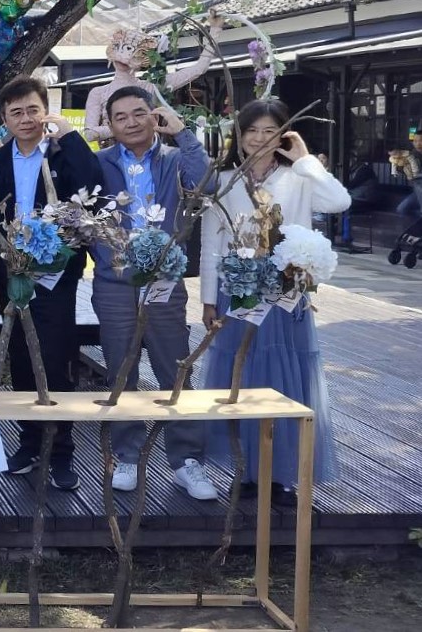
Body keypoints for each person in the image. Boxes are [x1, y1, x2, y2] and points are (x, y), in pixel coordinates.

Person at [200, 98, 349, 506]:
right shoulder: (226, 179)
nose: (260, 139)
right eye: (252, 131)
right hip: (239, 291)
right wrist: (208, 298)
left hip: (285, 292)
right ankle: (246, 469)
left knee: (284, 377)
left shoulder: (298, 177)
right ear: (240, 136)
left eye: (270, 130)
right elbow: (211, 242)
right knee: (241, 375)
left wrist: (305, 161)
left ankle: (282, 475)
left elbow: (339, 202)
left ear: (285, 133)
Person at [0, 75, 103, 491]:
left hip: (55, 276)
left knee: (57, 359)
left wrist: (69, 134)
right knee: (21, 359)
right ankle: (29, 443)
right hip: (12, 275)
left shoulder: (63, 154)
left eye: (33, 109)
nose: (26, 119)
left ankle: (62, 452)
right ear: (4, 119)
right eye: (17, 113)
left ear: (45, 110)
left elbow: (92, 187)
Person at [91, 86, 217, 500]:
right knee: (120, 370)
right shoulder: (100, 164)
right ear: (110, 124)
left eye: (139, 113)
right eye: (121, 116)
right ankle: (126, 455)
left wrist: (183, 133)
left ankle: (186, 461)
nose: (131, 122)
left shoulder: (175, 159)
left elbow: (209, 184)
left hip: (166, 282)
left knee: (175, 368)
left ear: (154, 116)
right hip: (115, 284)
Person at [394, 131, 422, 218]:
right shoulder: (411, 155)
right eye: (415, 141)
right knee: (401, 209)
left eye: (420, 140)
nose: (418, 143)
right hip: (418, 192)